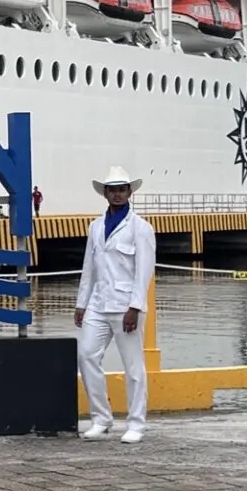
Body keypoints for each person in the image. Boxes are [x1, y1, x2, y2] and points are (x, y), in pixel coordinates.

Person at [74, 166, 156, 445]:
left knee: (133, 366)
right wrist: (81, 303)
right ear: (105, 194)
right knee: (86, 355)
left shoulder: (141, 228)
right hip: (98, 302)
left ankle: (136, 423)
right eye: (113, 190)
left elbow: (144, 270)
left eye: (122, 189)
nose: (117, 194)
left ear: (129, 192)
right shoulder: (95, 227)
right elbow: (89, 268)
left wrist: (135, 307)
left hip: (125, 305)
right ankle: (101, 418)